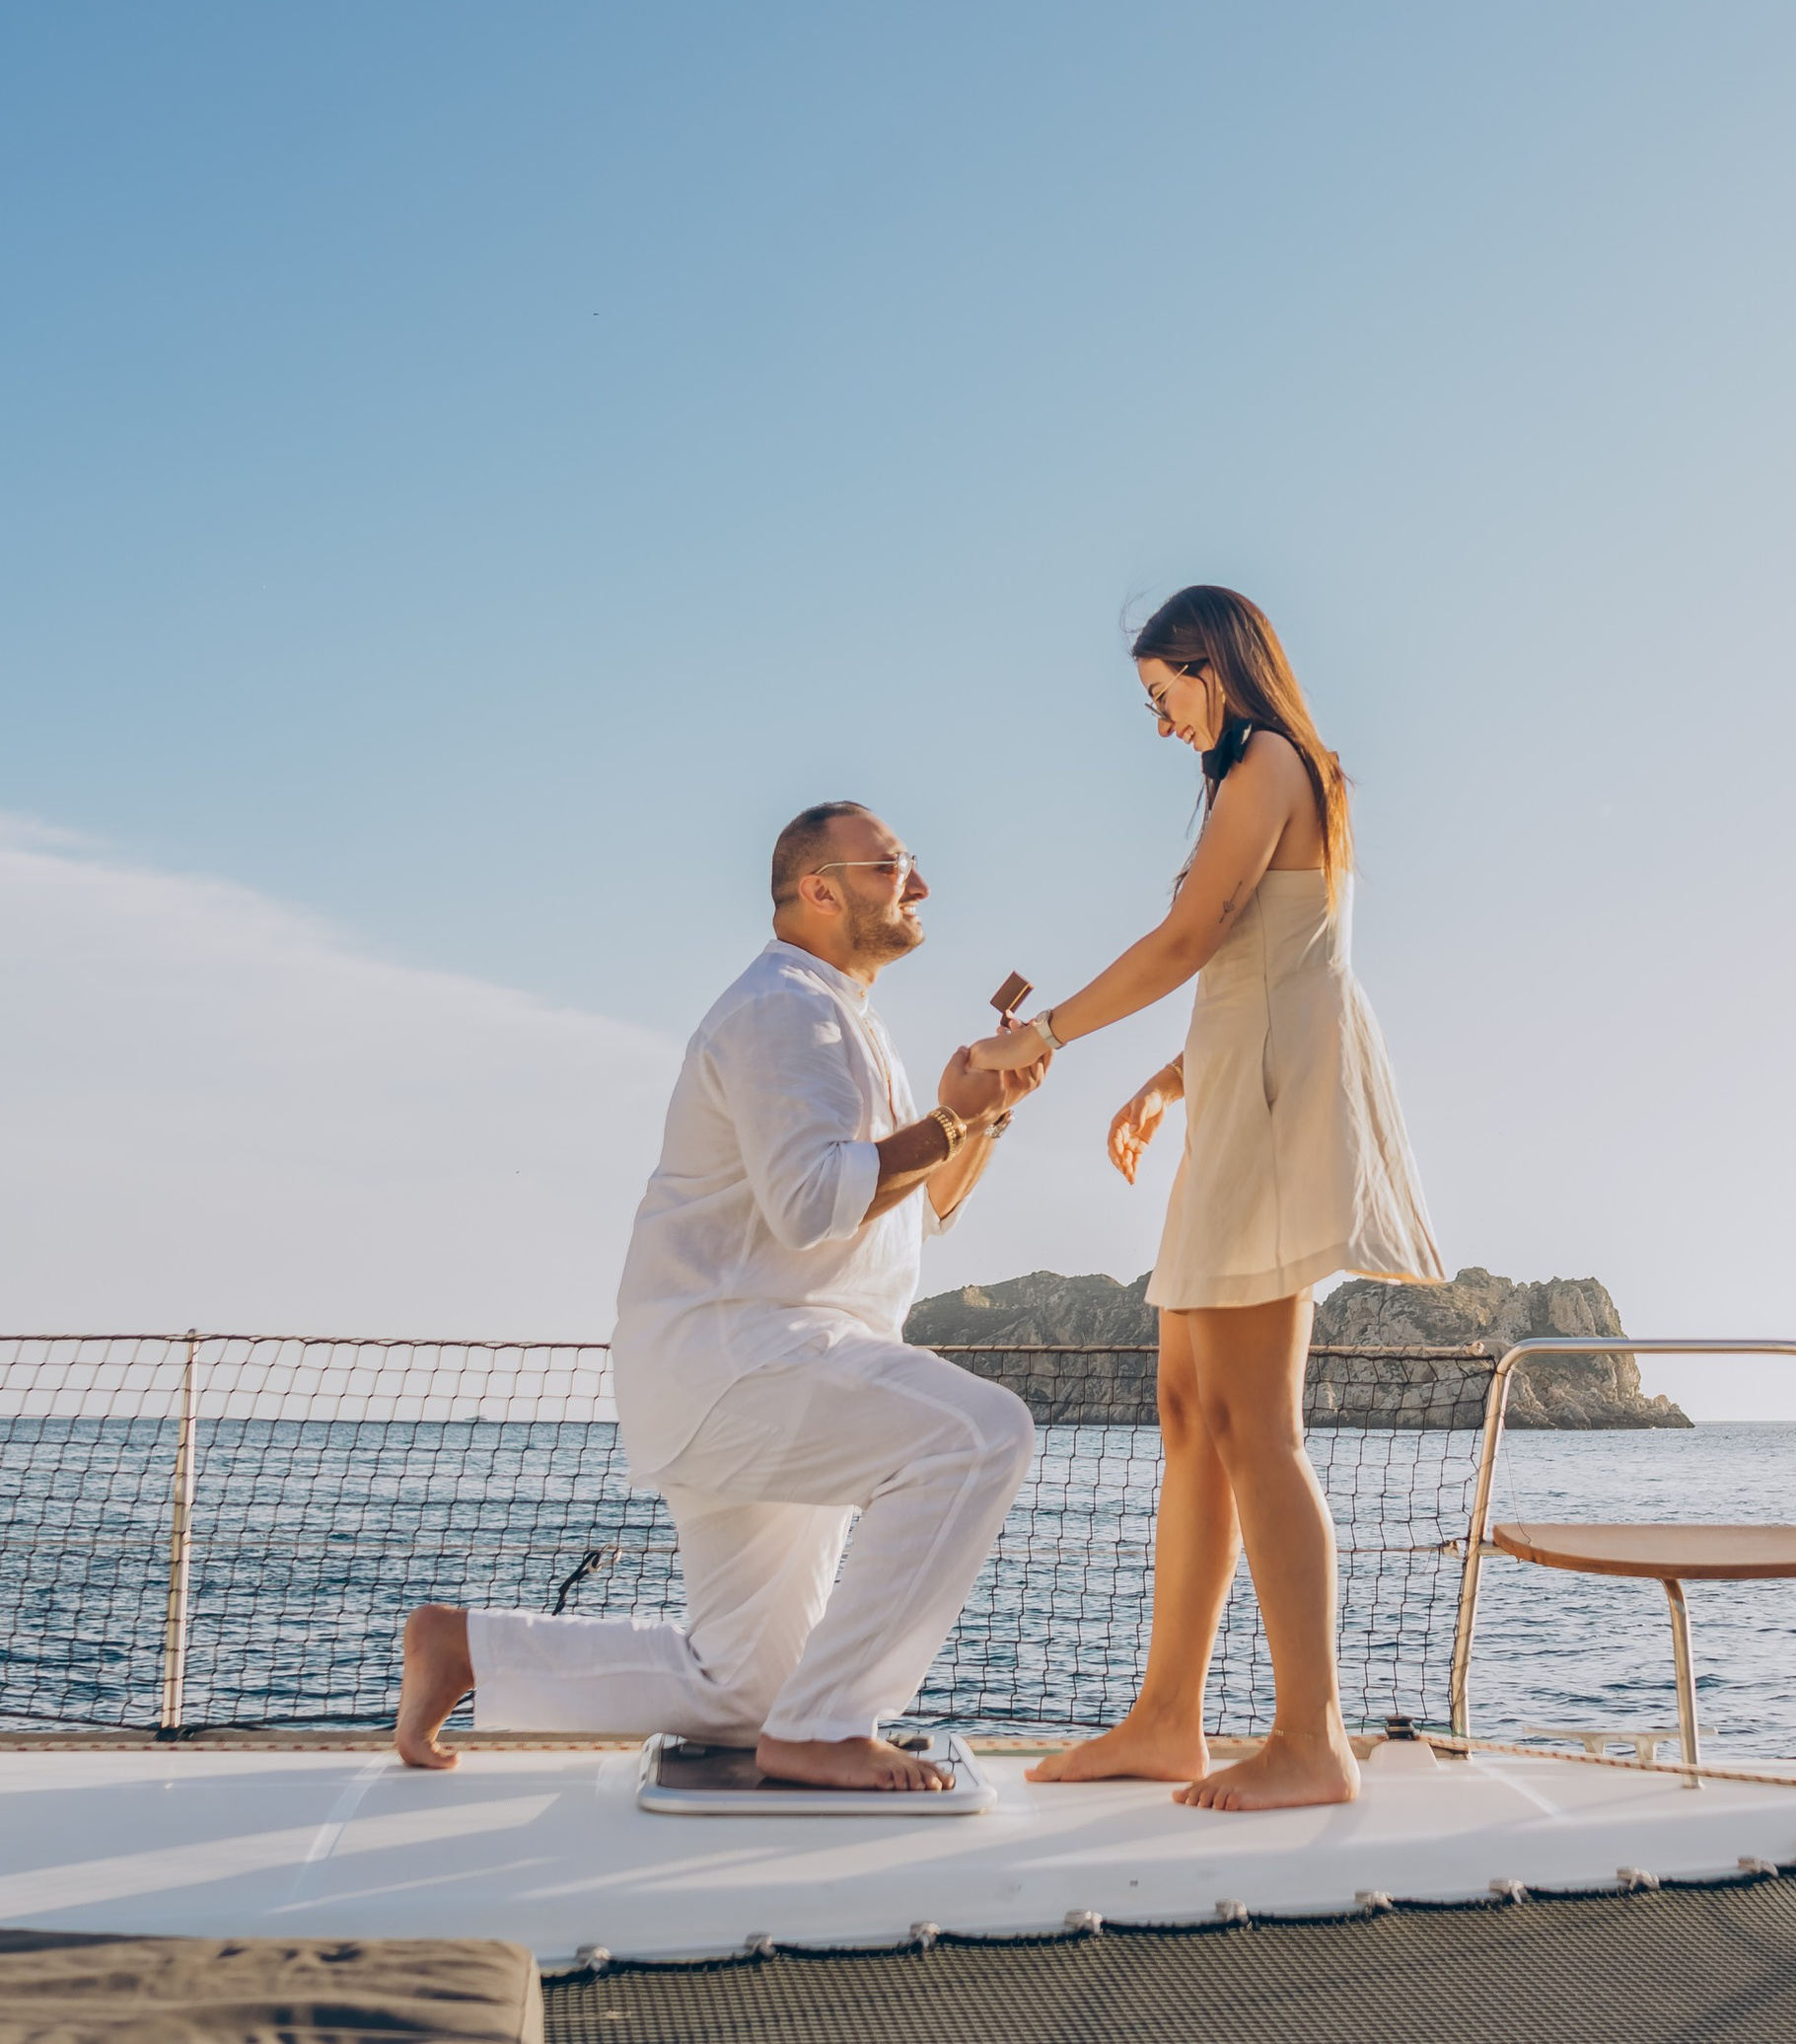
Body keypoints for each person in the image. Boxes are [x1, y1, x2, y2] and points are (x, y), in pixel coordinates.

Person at [394, 801, 1044, 1790]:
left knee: (744, 1688)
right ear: (818, 891)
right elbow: (811, 1201)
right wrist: (946, 1122)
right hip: (747, 1362)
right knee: (978, 1434)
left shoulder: (838, 1015)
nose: (917, 885)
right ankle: (828, 1727)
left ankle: (469, 1648)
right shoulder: (786, 1008)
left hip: (761, 1368)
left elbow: (909, 1212)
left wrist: (980, 1121)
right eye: (889, 867)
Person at [966, 586, 1443, 1811]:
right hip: (1238, 1109)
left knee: (1255, 1428)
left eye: (1159, 694)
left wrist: (1050, 1037)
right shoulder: (1275, 775)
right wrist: (1171, 1079)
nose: (1157, 719)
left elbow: (1190, 939)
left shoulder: (1271, 764)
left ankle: (1311, 1738)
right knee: (1189, 1412)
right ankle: (1167, 1718)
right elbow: (1270, 961)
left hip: (1272, 1129)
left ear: (1209, 666)